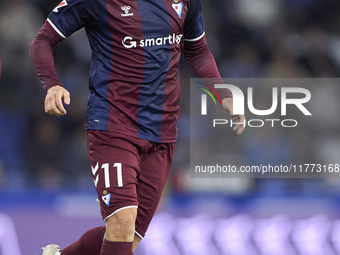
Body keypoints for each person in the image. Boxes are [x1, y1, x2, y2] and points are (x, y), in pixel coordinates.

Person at [30, 0, 246, 254]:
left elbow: (197, 49)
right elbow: (43, 39)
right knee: (121, 222)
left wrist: (223, 93)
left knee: (127, 236)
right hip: (113, 125)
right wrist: (52, 84)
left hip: (162, 131)